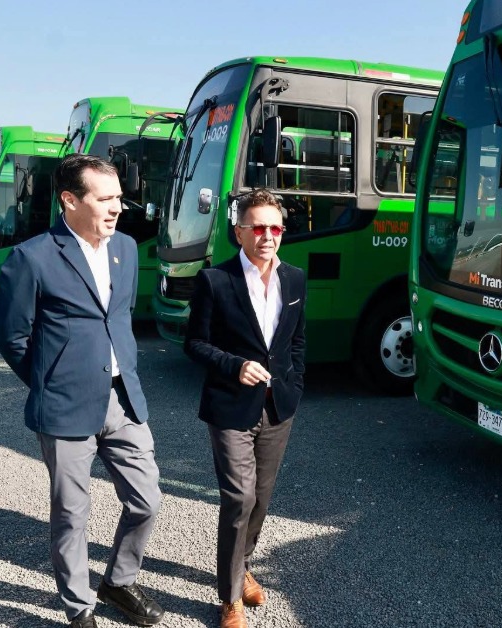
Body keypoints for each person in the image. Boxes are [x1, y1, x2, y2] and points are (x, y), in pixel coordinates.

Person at [0, 153, 165, 628]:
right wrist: (51, 382)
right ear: (70, 200)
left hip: (123, 400)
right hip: (65, 406)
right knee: (72, 514)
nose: (118, 207)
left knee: (147, 500)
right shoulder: (31, 257)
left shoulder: (126, 249)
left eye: (119, 197)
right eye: (105, 198)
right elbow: (12, 338)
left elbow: (121, 318)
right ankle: (79, 609)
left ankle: (118, 581)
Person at [184, 189, 307, 628]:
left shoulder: (295, 279)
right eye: (257, 227)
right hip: (230, 407)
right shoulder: (215, 281)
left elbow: (295, 342)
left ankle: (243, 564)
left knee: (262, 499)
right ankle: (230, 597)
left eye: (275, 227)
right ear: (239, 232)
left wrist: (295, 385)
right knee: (239, 497)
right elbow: (194, 344)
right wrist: (234, 367)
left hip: (278, 408)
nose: (267, 235)